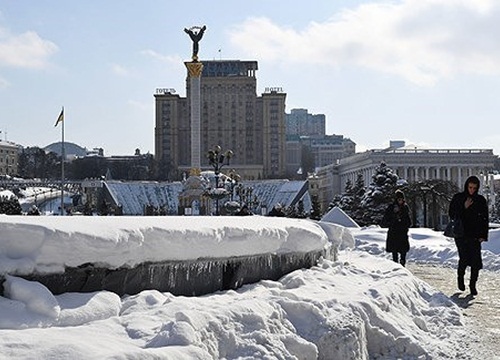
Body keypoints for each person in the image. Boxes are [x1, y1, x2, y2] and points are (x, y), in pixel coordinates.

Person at [448, 175, 488, 296]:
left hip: (475, 235)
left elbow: (485, 218)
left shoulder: (480, 200)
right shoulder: (458, 198)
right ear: (466, 186)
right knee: (464, 258)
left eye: (474, 188)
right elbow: (452, 214)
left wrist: (483, 235)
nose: (472, 190)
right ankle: (460, 278)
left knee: (476, 261)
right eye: (470, 187)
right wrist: (464, 207)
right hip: (461, 234)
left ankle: (473, 285)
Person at [381, 189, 412, 267]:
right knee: (394, 250)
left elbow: (408, 220)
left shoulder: (405, 207)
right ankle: (395, 263)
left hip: (402, 232)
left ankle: (402, 261)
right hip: (394, 231)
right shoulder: (391, 207)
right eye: (399, 199)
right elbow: (386, 219)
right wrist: (394, 216)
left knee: (403, 249)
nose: (400, 201)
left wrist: (405, 224)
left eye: (401, 199)